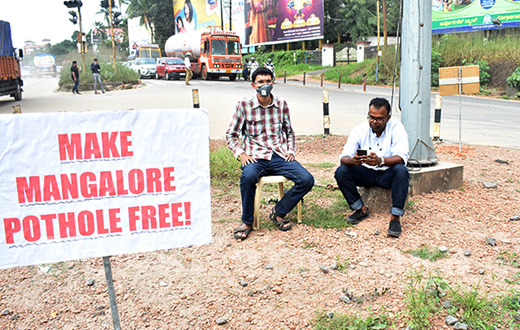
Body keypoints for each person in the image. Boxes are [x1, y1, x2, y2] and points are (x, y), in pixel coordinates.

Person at [225, 67, 314, 240]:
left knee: (307, 179)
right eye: (260, 82)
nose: (264, 85)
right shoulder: (244, 105)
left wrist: (290, 151)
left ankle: (279, 212)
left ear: (273, 83)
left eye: (268, 81)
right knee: (248, 177)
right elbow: (231, 134)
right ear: (253, 85)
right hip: (256, 157)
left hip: (279, 155)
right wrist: (241, 154)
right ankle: (247, 222)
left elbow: (289, 132)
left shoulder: (282, 104)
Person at [334, 97, 409, 238]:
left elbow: (401, 157)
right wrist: (353, 160)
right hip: (366, 173)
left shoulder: (396, 128)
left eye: (379, 119)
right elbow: (344, 158)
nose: (374, 122)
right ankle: (360, 209)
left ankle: (395, 218)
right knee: (341, 171)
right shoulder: (359, 129)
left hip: (387, 173)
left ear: (388, 118)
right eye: (371, 117)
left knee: (401, 170)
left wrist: (381, 161)